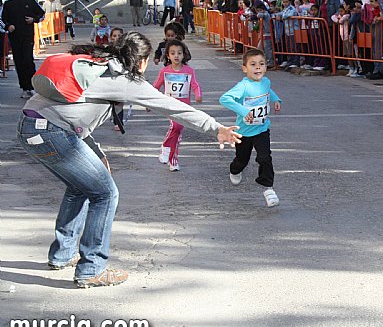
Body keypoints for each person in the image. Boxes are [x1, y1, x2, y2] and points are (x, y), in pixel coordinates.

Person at [18, 32, 241, 288]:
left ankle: (62, 255)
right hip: (52, 133)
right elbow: (173, 107)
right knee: (105, 194)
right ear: (142, 61)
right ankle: (91, 269)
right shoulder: (124, 80)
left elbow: (77, 116)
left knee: (80, 187)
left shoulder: (97, 64)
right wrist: (216, 128)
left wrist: (97, 152)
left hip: (31, 128)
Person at [219, 48, 282, 207]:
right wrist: (243, 110)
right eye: (253, 64)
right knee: (242, 160)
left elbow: (268, 91)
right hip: (244, 132)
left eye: (261, 64)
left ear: (266, 67)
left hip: (262, 129)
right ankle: (235, 169)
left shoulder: (266, 82)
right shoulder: (243, 86)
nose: (258, 68)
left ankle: (268, 189)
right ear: (245, 68)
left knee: (265, 157)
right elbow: (224, 99)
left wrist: (276, 100)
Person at [152, 39, 202, 171]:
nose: (176, 56)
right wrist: (149, 102)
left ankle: (173, 159)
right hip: (169, 105)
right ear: (168, 55)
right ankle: (165, 147)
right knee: (176, 126)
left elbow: (195, 85)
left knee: (178, 132)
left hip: (184, 106)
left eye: (179, 53)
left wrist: (198, 95)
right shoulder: (164, 71)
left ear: (184, 55)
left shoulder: (189, 71)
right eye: (173, 53)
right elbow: (156, 86)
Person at [1, 0, 45, 99]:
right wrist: (8, 26)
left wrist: (34, 20)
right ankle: (25, 88)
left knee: (28, 61)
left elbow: (42, 14)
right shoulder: (8, 4)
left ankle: (32, 87)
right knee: (19, 62)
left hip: (27, 37)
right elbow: (3, 19)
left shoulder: (30, 2)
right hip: (14, 38)